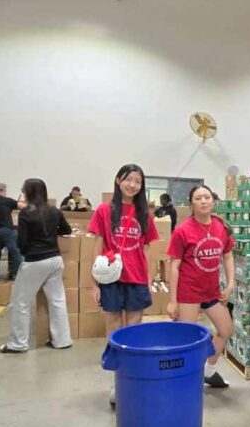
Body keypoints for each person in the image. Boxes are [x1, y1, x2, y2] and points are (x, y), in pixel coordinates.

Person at [87, 165, 158, 406]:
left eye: (138, 181)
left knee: (134, 332)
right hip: (111, 279)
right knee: (114, 331)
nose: (132, 185)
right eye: (128, 179)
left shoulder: (145, 214)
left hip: (136, 278)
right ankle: (118, 382)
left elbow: (147, 249)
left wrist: (149, 280)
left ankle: (132, 380)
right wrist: (94, 283)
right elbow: (97, 246)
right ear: (118, 180)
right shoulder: (104, 210)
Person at [167, 185, 234, 389]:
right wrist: (172, 301)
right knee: (185, 340)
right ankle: (182, 380)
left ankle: (208, 370)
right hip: (188, 292)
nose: (203, 201)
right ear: (191, 204)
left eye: (207, 197)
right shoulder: (182, 231)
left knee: (226, 330)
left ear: (213, 201)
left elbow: (228, 256)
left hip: (212, 291)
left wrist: (230, 284)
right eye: (198, 198)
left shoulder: (221, 227)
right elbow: (174, 266)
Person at [0, 178, 73, 353]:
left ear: (28, 192)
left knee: (20, 303)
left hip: (35, 261)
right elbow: (67, 230)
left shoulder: (26, 213)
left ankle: (18, 344)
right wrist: (51, 233)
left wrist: (26, 251)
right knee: (57, 301)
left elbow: (22, 242)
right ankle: (62, 340)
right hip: (55, 260)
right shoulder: (54, 210)